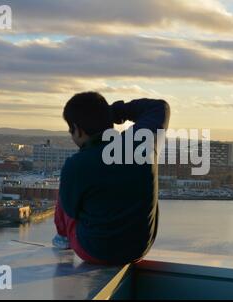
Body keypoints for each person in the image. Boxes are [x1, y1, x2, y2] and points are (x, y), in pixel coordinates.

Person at [53, 92, 170, 265]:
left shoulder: (77, 164)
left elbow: (71, 211)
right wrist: (113, 112)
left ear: (78, 130)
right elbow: (159, 107)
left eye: (71, 130)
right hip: (139, 248)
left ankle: (63, 239)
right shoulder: (142, 143)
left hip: (95, 251)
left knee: (67, 190)